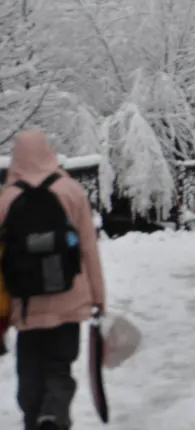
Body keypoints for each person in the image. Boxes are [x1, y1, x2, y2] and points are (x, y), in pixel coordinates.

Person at [0, 131, 106, 430]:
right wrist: (99, 298)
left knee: (30, 370)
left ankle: (33, 418)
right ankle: (54, 413)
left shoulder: (6, 198)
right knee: (60, 365)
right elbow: (89, 249)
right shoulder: (71, 190)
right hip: (69, 299)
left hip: (26, 303)